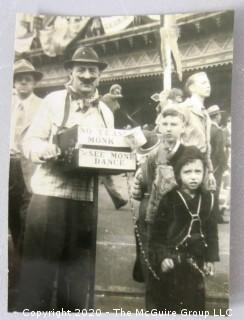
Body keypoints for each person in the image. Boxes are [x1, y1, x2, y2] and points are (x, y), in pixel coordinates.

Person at [15, 46, 114, 311]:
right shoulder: (53, 101)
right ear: (70, 72)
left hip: (85, 202)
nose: (87, 75)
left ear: (99, 75)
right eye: (80, 69)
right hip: (49, 198)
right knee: (40, 276)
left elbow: (108, 152)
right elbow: (30, 141)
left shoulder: (106, 113)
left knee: (77, 278)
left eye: (92, 70)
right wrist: (44, 150)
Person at [146, 147, 219, 313]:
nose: (193, 176)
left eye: (198, 171)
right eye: (187, 172)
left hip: (195, 263)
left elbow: (212, 233)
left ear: (204, 173)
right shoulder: (169, 198)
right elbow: (157, 235)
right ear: (178, 174)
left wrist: (210, 259)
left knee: (194, 304)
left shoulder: (209, 199)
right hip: (172, 263)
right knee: (168, 305)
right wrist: (162, 257)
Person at [132, 107, 191, 282]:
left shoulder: (190, 155)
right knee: (151, 260)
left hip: (178, 215)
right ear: (159, 127)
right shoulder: (151, 156)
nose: (169, 128)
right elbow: (139, 189)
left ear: (183, 127)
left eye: (174, 124)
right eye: (164, 124)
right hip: (151, 212)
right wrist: (138, 181)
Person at [9, 59, 43, 252]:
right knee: (11, 210)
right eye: (19, 79)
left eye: (27, 79)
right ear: (13, 83)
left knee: (28, 212)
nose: (23, 83)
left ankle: (24, 256)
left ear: (34, 83)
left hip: (30, 165)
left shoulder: (43, 105)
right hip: (8, 165)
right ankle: (17, 253)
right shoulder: (7, 104)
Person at [179, 72, 216, 191]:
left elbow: (206, 146)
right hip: (186, 169)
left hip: (202, 169)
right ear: (192, 88)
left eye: (208, 82)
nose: (208, 85)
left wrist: (210, 171)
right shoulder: (183, 109)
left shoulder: (205, 114)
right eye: (204, 83)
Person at [101, 84, 128, 210]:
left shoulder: (115, 102)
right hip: (103, 131)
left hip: (110, 131)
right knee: (104, 172)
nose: (118, 91)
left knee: (104, 173)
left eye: (119, 89)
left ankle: (117, 199)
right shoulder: (107, 97)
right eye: (116, 90)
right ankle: (117, 199)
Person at [207, 105, 227, 223]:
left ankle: (212, 215)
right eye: (219, 115)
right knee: (216, 190)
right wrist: (223, 165)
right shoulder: (218, 131)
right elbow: (220, 150)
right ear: (217, 116)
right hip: (216, 166)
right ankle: (216, 217)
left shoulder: (208, 129)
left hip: (208, 164)